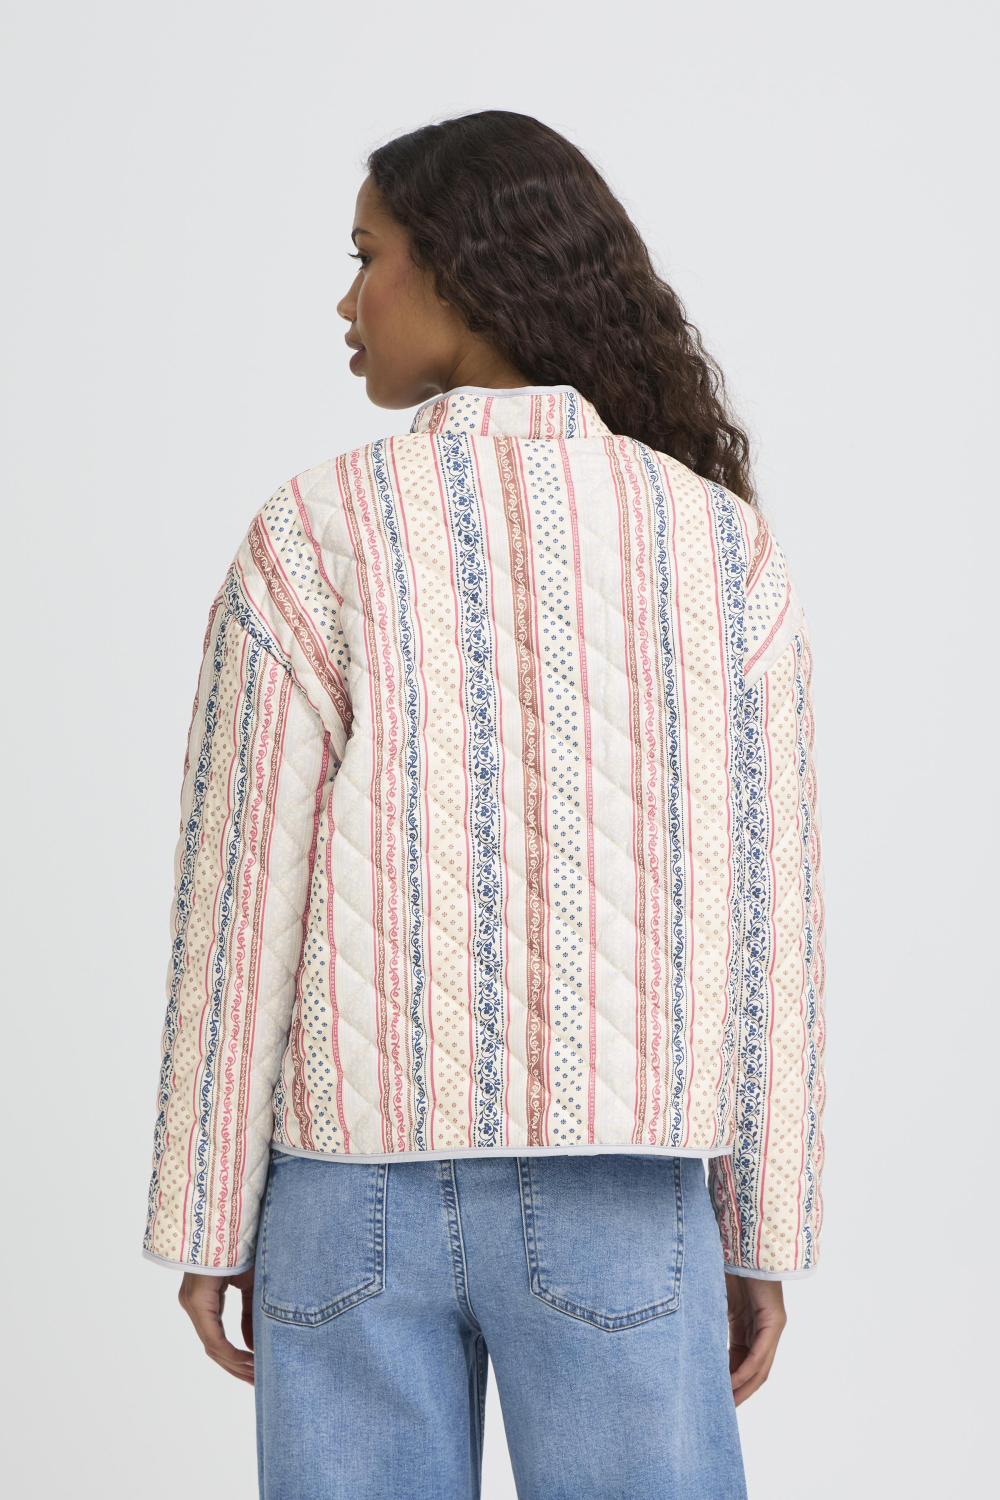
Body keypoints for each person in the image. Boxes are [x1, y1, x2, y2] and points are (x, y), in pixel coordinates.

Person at [143, 110, 826, 1500]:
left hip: (347, 1200)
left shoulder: (313, 533)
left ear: (463, 269)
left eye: (366, 255)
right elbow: (773, 920)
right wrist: (763, 1224)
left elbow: (235, 903)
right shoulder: (716, 544)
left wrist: (206, 1218)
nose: (347, 300)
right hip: (623, 1198)